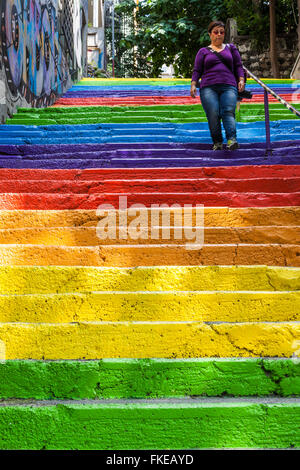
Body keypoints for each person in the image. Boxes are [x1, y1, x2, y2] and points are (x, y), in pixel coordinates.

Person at [190, 21, 245, 150]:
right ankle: (218, 142)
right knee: (213, 113)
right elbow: (197, 70)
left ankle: (232, 139)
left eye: (222, 32)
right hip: (208, 87)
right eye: (216, 32)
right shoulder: (203, 51)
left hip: (229, 85)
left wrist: (241, 80)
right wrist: (193, 84)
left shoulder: (231, 48)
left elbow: (238, 66)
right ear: (210, 34)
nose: (219, 35)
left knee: (228, 111)